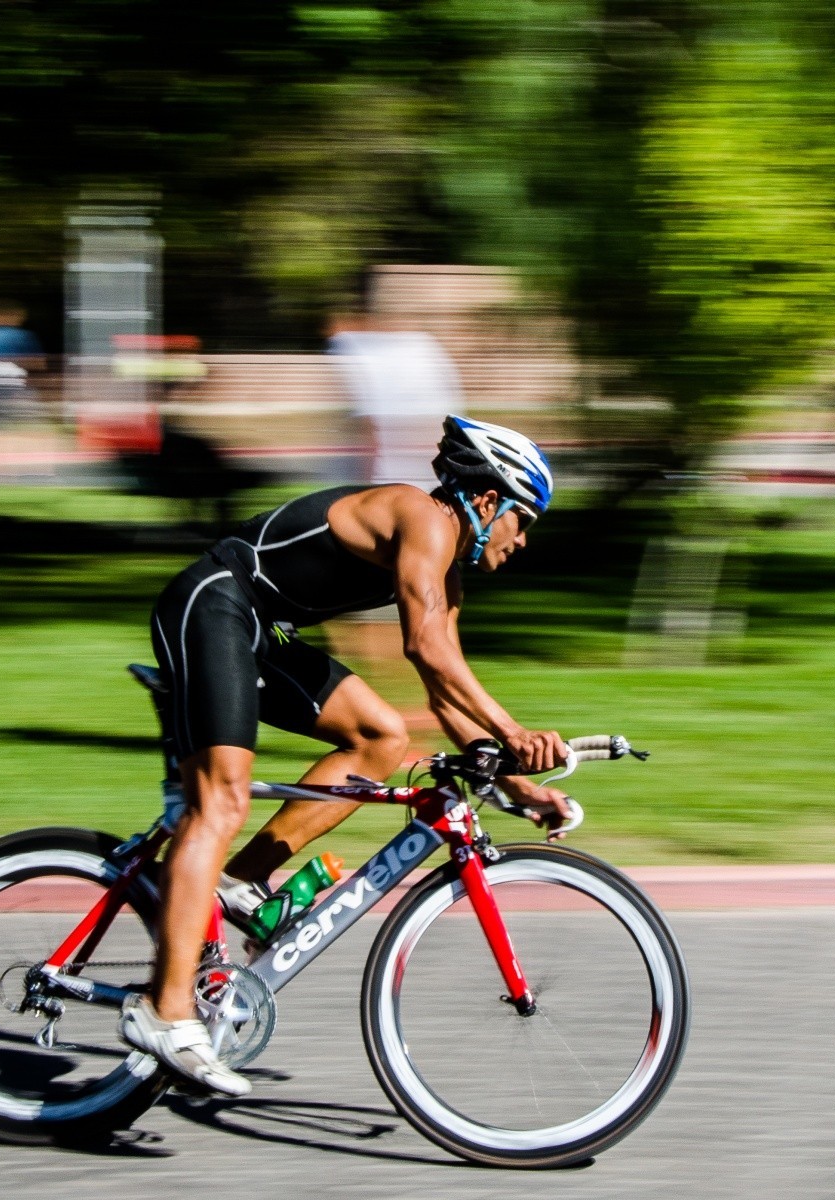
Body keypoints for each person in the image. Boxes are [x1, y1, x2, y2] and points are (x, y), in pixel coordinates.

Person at [119, 415, 575, 1096]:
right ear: (488, 501)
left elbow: (443, 690)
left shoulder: (446, 566)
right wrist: (512, 730)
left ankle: (239, 882)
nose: (524, 539)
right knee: (221, 801)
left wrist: (512, 780)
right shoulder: (423, 518)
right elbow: (428, 649)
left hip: (255, 631)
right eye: (523, 518)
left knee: (382, 738)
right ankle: (167, 1010)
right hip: (212, 604)